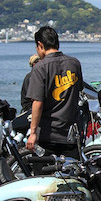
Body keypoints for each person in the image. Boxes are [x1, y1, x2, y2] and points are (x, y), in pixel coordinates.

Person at [25, 26, 84, 157]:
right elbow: (78, 91)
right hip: (72, 134)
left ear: (40, 45)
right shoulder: (75, 64)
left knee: (44, 176)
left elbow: (37, 102)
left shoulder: (40, 67)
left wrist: (33, 133)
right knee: (72, 175)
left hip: (48, 135)